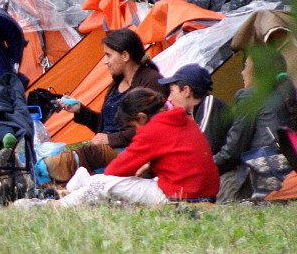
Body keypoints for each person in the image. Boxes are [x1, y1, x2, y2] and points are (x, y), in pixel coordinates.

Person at [19, 88, 220, 207]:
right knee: (102, 180)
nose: (136, 132)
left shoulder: (153, 129)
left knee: (105, 183)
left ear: (142, 117)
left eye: (134, 126)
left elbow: (116, 170)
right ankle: (77, 186)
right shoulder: (180, 118)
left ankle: (58, 206)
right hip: (203, 192)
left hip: (184, 197)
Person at [43, 28, 168, 182]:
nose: (105, 61)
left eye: (109, 55)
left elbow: (154, 126)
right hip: (109, 148)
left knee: (79, 157)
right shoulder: (117, 82)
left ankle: (42, 173)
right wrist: (80, 110)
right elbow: (105, 125)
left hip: (135, 151)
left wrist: (111, 139)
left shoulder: (152, 81)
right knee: (69, 154)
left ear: (125, 56)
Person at [213, 52, 297, 202]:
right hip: (290, 171)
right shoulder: (289, 93)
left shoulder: (250, 97)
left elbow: (233, 150)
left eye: (245, 67)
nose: (242, 72)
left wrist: (205, 166)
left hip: (269, 172)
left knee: (224, 181)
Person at [158, 64, 232, 154]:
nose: (169, 98)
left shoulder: (210, 103)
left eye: (172, 91)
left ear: (186, 91)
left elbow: (203, 149)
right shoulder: (195, 112)